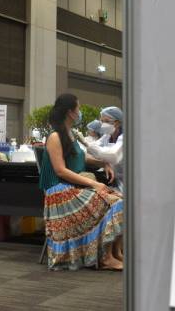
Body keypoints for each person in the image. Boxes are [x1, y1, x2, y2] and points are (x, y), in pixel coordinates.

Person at [40, 94, 124, 270]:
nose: (79, 113)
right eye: (77, 109)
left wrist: (103, 163)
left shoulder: (69, 134)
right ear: (70, 112)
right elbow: (60, 170)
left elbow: (81, 156)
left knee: (119, 198)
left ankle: (116, 253)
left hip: (73, 187)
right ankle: (106, 257)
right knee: (115, 201)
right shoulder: (55, 136)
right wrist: (94, 184)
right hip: (60, 192)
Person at [82, 106, 124, 192]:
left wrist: (87, 144)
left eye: (106, 121)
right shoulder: (107, 136)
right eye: (102, 121)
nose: (103, 124)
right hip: (113, 179)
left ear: (117, 123)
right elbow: (92, 148)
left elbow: (113, 155)